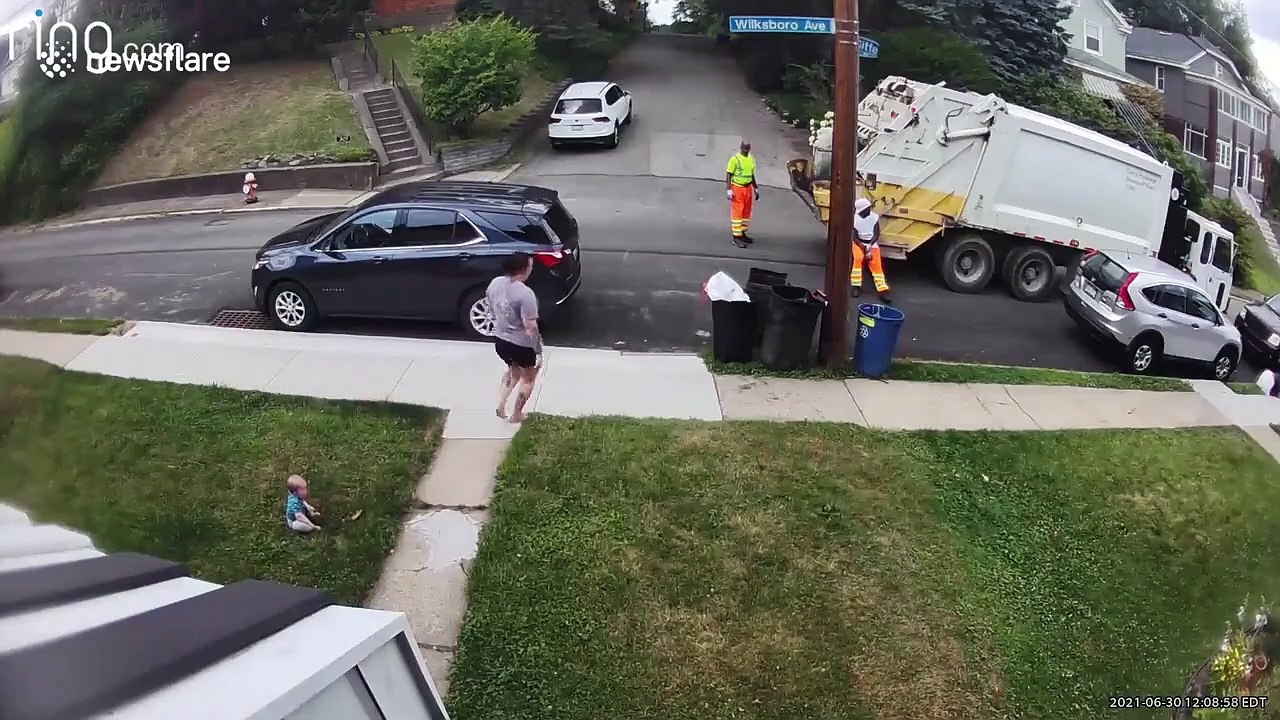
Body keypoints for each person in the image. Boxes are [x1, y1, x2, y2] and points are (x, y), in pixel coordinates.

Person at [488, 253, 543, 424]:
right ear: (523, 269)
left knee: (513, 371)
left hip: (501, 340)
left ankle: (501, 403)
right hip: (522, 344)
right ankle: (516, 414)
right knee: (529, 378)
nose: (531, 269)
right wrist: (538, 348)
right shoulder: (526, 294)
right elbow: (530, 326)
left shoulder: (495, 283)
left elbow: (491, 306)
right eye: (530, 266)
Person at [851, 197, 892, 303]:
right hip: (858, 243)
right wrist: (863, 247)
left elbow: (876, 233)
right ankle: (856, 286)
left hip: (871, 243)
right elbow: (854, 237)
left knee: (876, 265)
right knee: (858, 259)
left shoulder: (874, 217)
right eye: (867, 208)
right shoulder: (854, 219)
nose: (869, 209)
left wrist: (870, 246)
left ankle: (883, 290)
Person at [725, 139, 760, 249]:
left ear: (749, 148)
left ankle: (742, 233)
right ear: (740, 147)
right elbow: (729, 174)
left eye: (747, 148)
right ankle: (736, 237)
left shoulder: (751, 159)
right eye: (744, 147)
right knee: (737, 213)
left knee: (746, 212)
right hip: (737, 188)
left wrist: (755, 187)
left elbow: (751, 175)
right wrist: (728, 189)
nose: (745, 149)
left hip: (747, 188)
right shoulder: (734, 159)